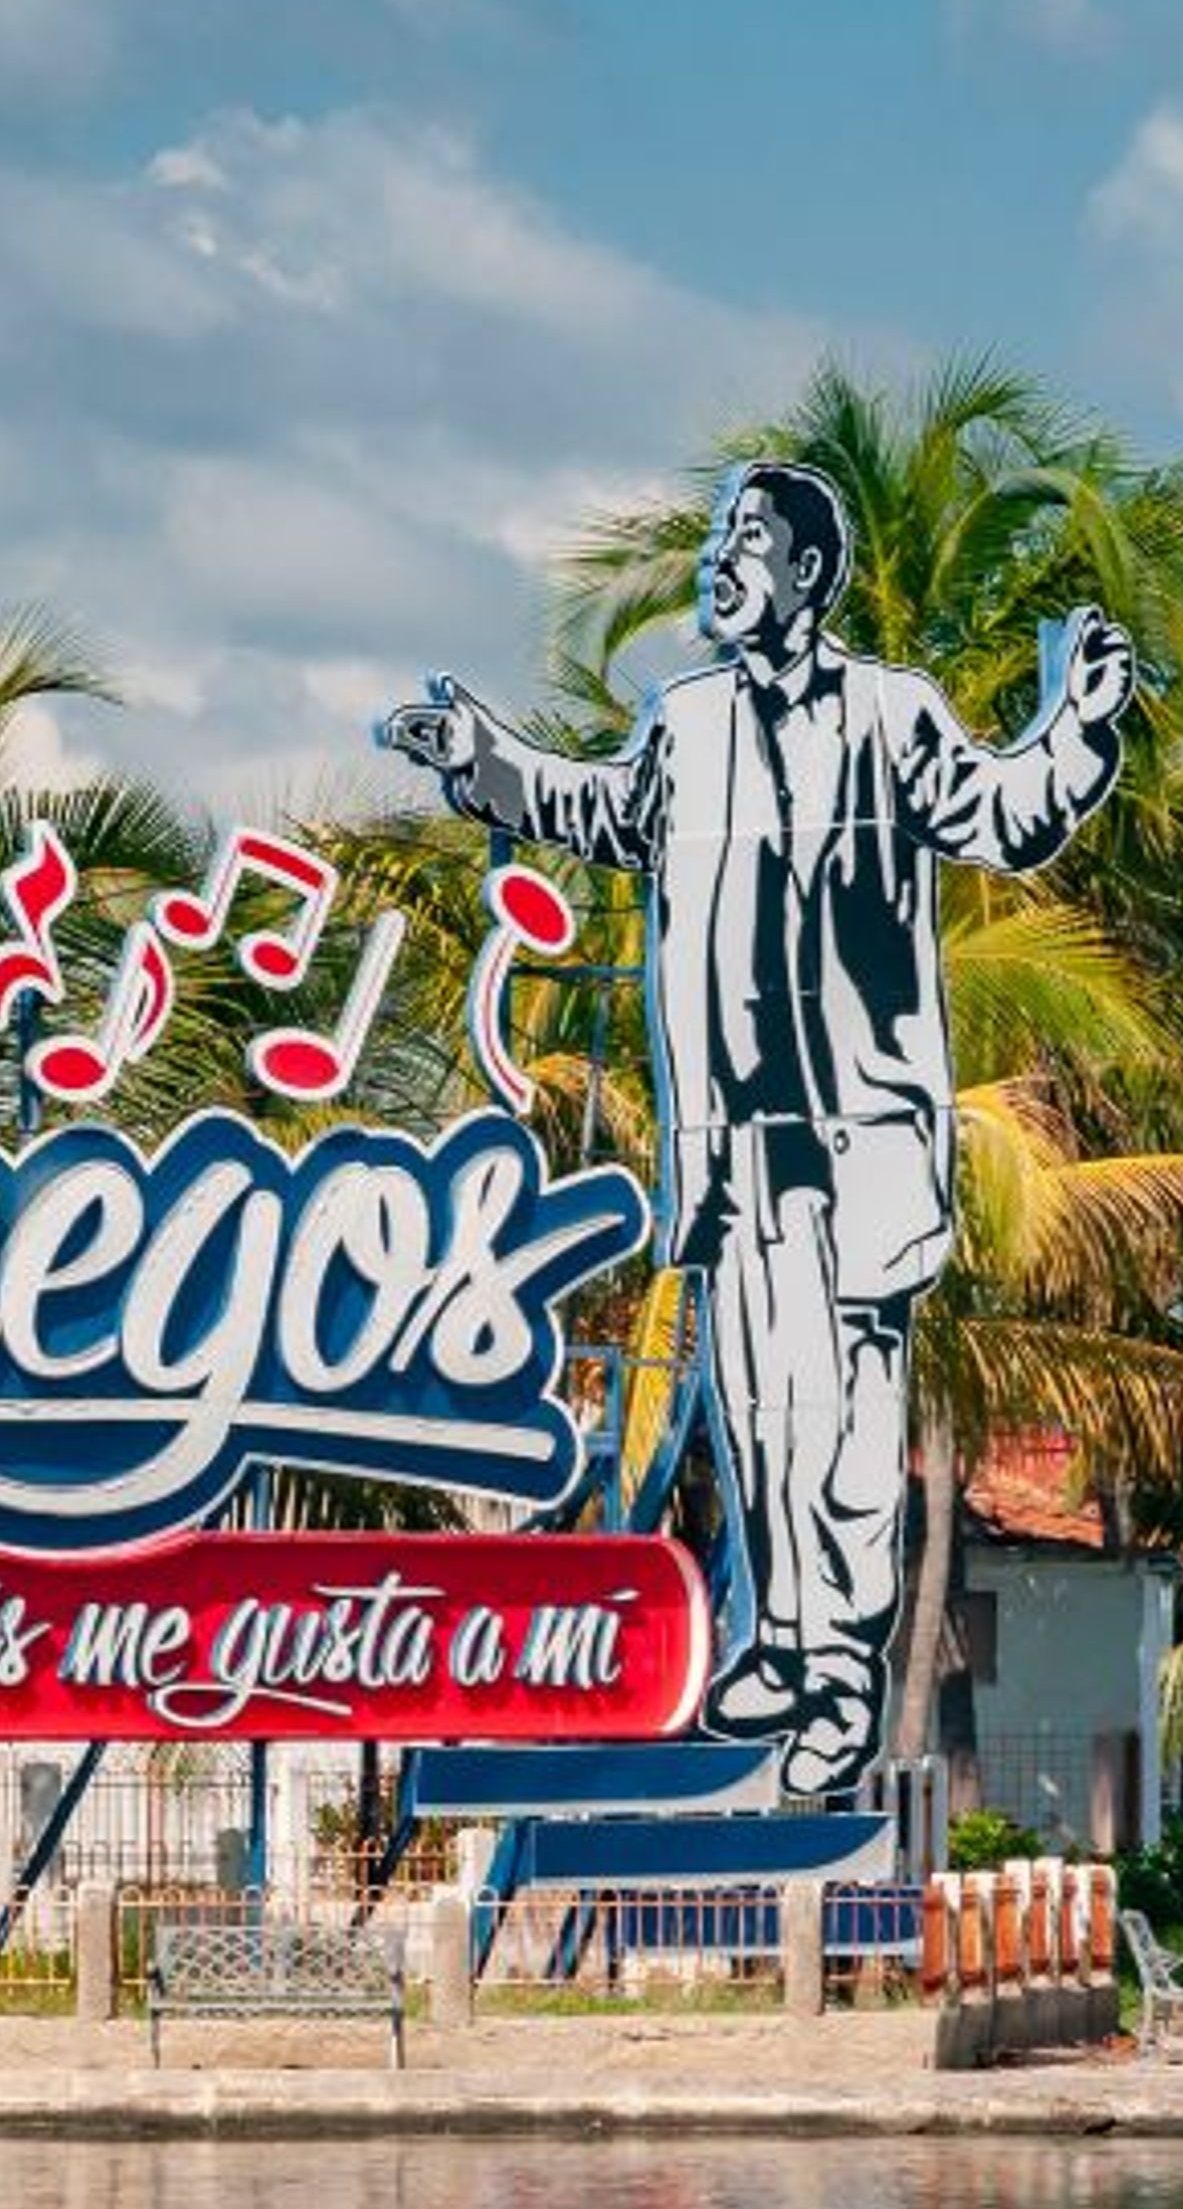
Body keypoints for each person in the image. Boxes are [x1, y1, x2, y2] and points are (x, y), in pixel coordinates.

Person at [381, 461, 1134, 1792]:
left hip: (861, 1136)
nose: (721, 564)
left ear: (807, 571)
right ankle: (783, 1644)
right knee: (762, 1407)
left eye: (746, 541)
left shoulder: (891, 717)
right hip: (735, 1142)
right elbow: (600, 816)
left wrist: (1077, 729)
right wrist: (484, 762)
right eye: (723, 539)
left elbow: (1006, 816)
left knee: (847, 1419)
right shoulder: (690, 721)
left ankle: (840, 1674)